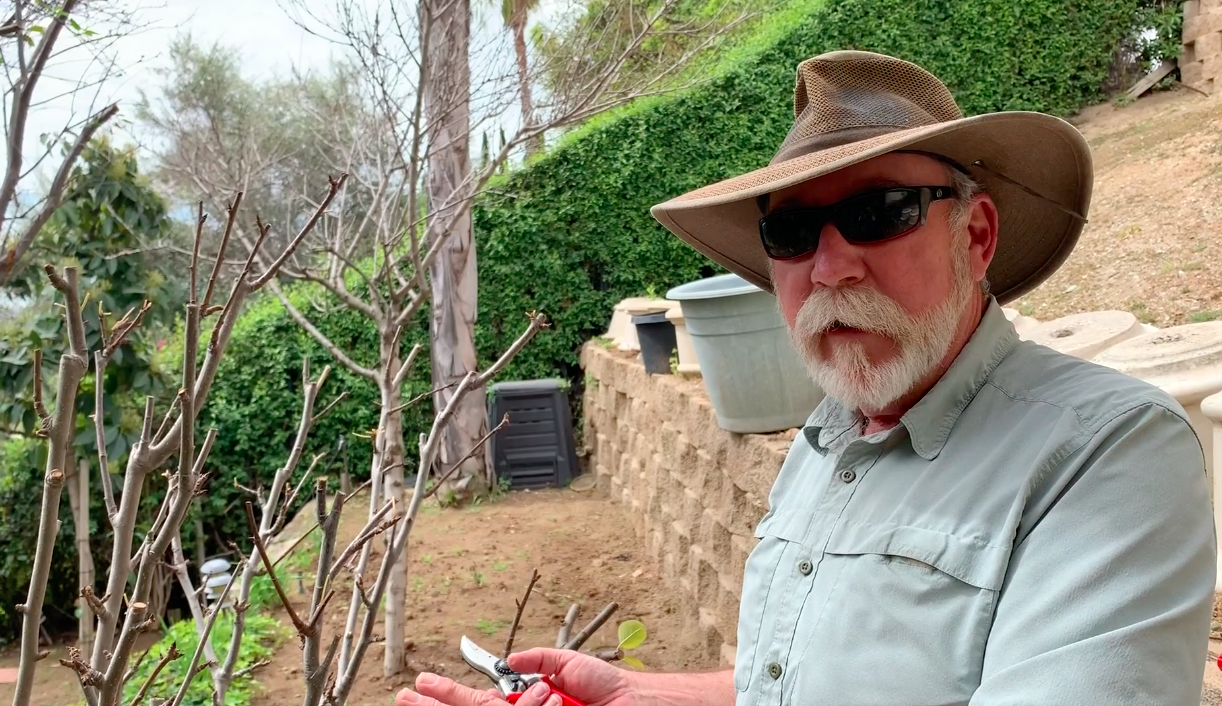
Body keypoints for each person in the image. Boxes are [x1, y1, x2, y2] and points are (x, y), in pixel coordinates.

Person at [396, 50, 1217, 706]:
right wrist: (644, 693)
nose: (829, 268)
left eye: (878, 212)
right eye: (790, 232)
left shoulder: (1107, 456)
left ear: (975, 234)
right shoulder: (824, 441)